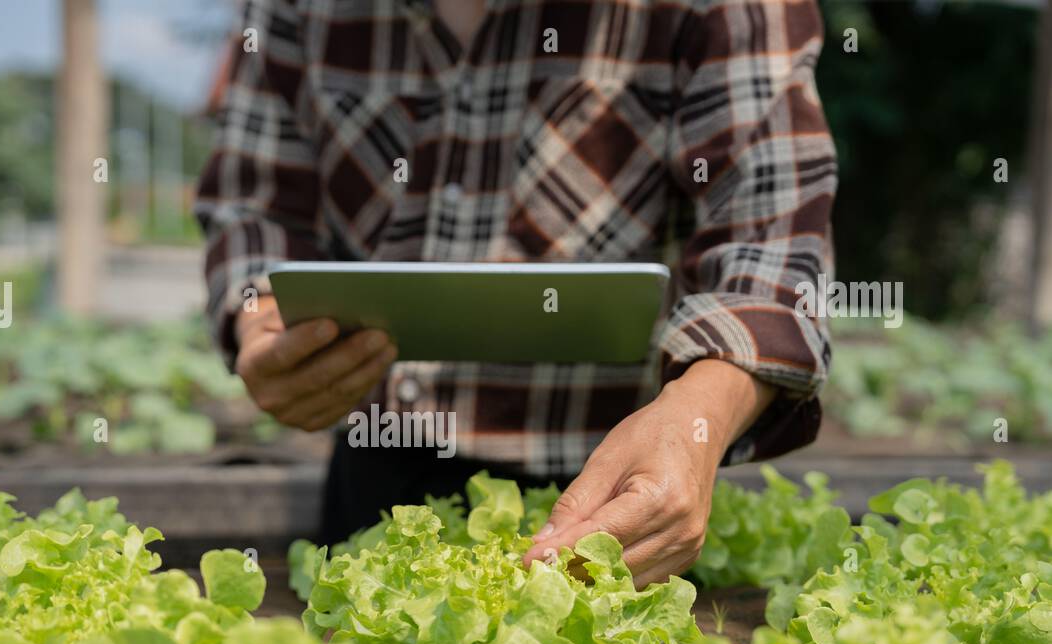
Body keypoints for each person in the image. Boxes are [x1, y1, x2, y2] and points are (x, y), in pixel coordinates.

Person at [196, 0, 837, 588]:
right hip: (375, 465)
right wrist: (262, 321)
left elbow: (773, 238)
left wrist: (701, 412)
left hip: (613, 490)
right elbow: (253, 204)